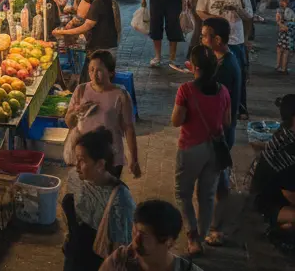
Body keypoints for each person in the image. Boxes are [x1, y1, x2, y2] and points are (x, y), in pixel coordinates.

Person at [171, 44, 231, 254]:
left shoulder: (186, 90)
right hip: (215, 150)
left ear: (194, 67)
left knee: (183, 193)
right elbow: (227, 122)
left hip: (191, 149)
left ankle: (192, 237)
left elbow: (176, 121)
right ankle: (202, 238)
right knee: (207, 196)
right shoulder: (223, 91)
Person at [62, 127, 136, 271]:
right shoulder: (75, 179)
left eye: (82, 160)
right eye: (76, 159)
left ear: (100, 164)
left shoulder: (121, 200)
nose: (76, 166)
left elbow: (120, 249)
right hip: (73, 256)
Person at [199, 16, 242, 244]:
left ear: (217, 40)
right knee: (219, 177)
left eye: (204, 36)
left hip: (220, 131)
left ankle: (216, 227)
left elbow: (217, 103)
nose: (201, 39)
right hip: (224, 129)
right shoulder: (225, 59)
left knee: (215, 181)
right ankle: (216, 224)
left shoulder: (225, 68)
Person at [64, 51, 140, 180]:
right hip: (84, 156)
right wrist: (77, 111)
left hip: (110, 156)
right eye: (91, 69)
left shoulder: (120, 95)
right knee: (83, 189)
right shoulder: (81, 90)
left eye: (99, 70)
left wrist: (134, 158)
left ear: (111, 73)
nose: (94, 74)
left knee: (108, 188)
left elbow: (128, 128)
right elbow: (69, 123)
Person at [98, 199, 201, 271]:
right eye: (134, 232)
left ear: (168, 241)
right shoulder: (120, 260)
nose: (135, 241)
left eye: (144, 235)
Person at [250, 93, 295, 234]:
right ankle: (275, 229)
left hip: (275, 193)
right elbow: (292, 197)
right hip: (264, 204)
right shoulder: (288, 151)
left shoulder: (286, 130)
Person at [53, 0, 119, 55]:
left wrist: (62, 32)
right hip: (106, 45)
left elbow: (86, 26)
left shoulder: (98, 2)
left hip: (102, 48)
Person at [277, 0, 295, 74]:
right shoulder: (288, 10)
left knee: (282, 49)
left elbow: (280, 22)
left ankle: (280, 67)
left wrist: (280, 24)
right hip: (288, 32)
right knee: (285, 50)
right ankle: (283, 68)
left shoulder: (283, 10)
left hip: (285, 32)